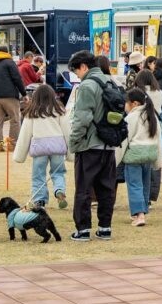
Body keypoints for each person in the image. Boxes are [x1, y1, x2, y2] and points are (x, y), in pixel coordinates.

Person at [67, 50, 118, 242]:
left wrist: (74, 142)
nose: (76, 75)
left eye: (76, 71)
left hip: (89, 145)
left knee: (84, 189)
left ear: (84, 67)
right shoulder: (110, 81)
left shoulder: (87, 86)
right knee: (106, 189)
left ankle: (83, 230)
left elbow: (82, 119)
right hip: (109, 144)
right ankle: (105, 227)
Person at [13, 84, 71, 210]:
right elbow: (67, 131)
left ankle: (40, 201)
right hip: (57, 147)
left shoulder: (32, 111)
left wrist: (19, 155)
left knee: (38, 175)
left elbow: (25, 134)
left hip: (39, 148)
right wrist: (71, 152)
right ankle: (59, 191)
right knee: (59, 172)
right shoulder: (60, 110)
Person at [118, 88, 162, 227]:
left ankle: (139, 215)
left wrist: (116, 159)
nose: (125, 106)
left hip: (134, 156)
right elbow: (159, 139)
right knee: (144, 186)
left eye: (127, 102)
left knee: (134, 185)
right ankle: (142, 210)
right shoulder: (152, 116)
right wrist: (158, 162)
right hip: (149, 154)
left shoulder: (131, 118)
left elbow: (124, 140)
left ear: (135, 103)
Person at [0, 45, 27, 153]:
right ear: (7, 52)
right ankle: (12, 146)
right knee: (15, 120)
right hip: (9, 96)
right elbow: (17, 78)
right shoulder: (9, 62)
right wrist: (24, 93)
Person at [134, 70, 162, 202]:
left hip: (140, 125)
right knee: (154, 159)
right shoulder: (159, 92)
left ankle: (141, 195)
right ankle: (151, 195)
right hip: (155, 125)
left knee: (139, 163)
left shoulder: (137, 92)